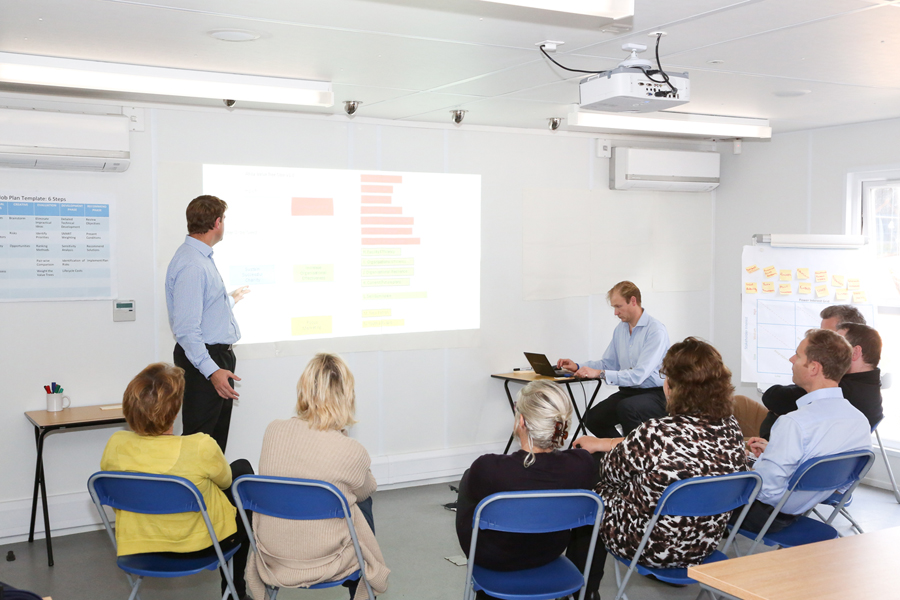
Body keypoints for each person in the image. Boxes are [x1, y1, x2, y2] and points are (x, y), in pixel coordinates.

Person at [571, 337, 747, 593]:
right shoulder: (731, 427)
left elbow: (609, 472)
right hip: (703, 544)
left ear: (671, 386)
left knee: (591, 485)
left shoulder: (656, 433)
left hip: (650, 546)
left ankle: (584, 591)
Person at [100, 363, 254, 599]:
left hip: (140, 549)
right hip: (200, 547)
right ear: (175, 409)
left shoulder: (115, 445)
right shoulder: (200, 446)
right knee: (241, 473)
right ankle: (236, 592)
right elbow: (224, 482)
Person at [246, 354, 388, 600]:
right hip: (327, 559)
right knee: (360, 502)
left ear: (303, 390)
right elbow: (367, 489)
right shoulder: (351, 450)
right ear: (347, 396)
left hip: (273, 554)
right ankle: (361, 590)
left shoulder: (274, 431)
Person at [455, 380, 598, 599]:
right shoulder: (582, 465)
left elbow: (467, 520)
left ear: (521, 420)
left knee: (469, 482)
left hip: (493, 560)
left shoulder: (488, 469)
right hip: (548, 553)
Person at [741, 329, 872, 534]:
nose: (792, 359)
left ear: (813, 368)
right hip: (805, 509)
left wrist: (749, 469)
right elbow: (842, 483)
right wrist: (775, 452)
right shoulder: (859, 421)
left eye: (798, 355)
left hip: (767, 516)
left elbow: (765, 490)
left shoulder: (795, 422)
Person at [165, 194, 250, 452]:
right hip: (205, 362)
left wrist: (229, 301)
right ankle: (197, 493)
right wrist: (213, 371)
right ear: (217, 222)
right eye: (223, 219)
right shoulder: (193, 264)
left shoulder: (199, 258)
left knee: (212, 445)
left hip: (212, 359)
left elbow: (204, 310)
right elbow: (188, 331)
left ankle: (209, 493)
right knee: (200, 446)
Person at [557, 281, 670, 438]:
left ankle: (634, 455)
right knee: (593, 418)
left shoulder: (655, 331)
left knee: (627, 408)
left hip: (655, 394)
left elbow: (638, 376)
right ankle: (620, 451)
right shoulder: (620, 330)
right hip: (630, 392)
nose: (615, 313)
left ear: (633, 301)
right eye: (614, 307)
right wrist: (577, 366)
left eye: (618, 306)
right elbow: (608, 364)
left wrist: (600, 373)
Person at [759, 323, 883, 439]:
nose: (831, 346)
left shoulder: (839, 390)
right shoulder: (870, 388)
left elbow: (774, 398)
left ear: (855, 352)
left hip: (778, 442)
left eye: (839, 342)